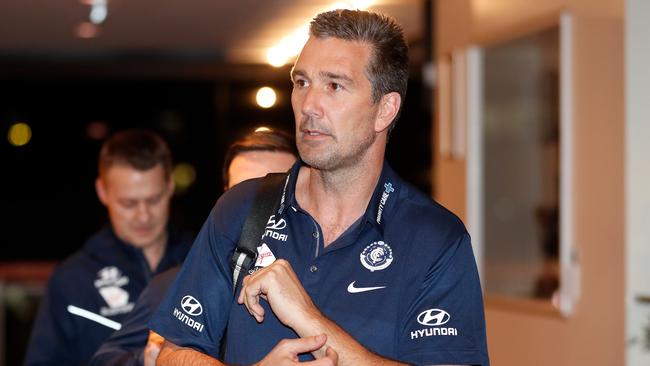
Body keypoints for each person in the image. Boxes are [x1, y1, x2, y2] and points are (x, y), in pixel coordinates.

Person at [151, 9, 489, 366]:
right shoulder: (242, 208)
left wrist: (306, 317)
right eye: (301, 82)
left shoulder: (434, 239)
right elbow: (172, 354)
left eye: (334, 85)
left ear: (385, 110)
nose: (309, 105)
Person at [90, 128, 298, 366]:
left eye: (276, 194)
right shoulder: (179, 282)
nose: (258, 210)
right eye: (243, 193)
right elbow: (107, 359)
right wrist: (146, 358)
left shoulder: (335, 279)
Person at [25, 129, 193, 365]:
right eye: (128, 203)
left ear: (170, 187)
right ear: (103, 191)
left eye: (154, 199)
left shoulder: (201, 260)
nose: (143, 215)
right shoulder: (72, 280)